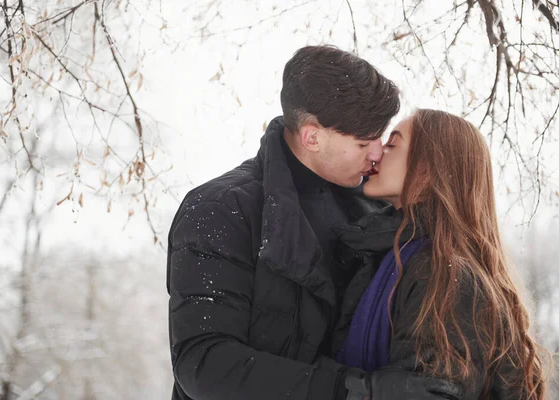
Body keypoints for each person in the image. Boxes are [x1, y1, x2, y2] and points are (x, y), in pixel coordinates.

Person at [167, 46, 462, 399]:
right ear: (312, 137)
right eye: (364, 141)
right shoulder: (220, 209)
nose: (377, 152)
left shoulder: (372, 213)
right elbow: (204, 363)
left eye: (381, 138)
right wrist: (349, 391)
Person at [332, 109, 549, 399]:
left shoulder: (444, 274)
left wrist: (328, 384)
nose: (377, 153)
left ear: (427, 171)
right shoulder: (388, 257)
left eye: (392, 145)